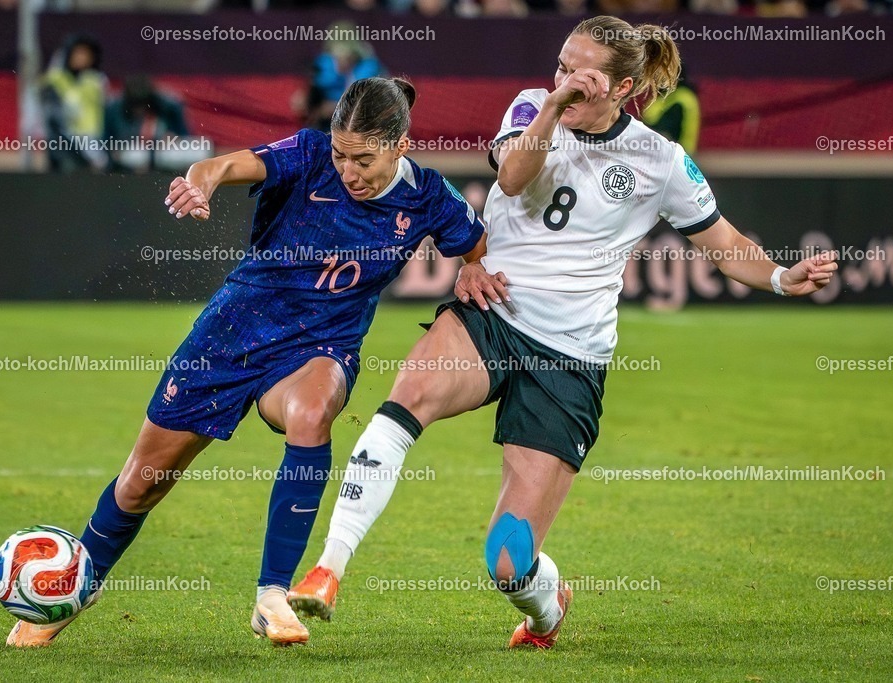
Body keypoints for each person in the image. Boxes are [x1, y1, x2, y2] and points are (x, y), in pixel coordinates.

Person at [288, 15, 838, 649]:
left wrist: (779, 279)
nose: (565, 81)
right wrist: (553, 104)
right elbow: (513, 178)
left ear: (623, 86)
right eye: (560, 66)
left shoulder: (660, 161)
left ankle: (546, 610)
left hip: (570, 359)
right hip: (493, 314)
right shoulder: (530, 109)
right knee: (405, 399)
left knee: (508, 563)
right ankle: (330, 567)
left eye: (584, 75)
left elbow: (725, 242)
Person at [5, 76, 486, 648]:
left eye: (364, 158)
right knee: (142, 484)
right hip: (232, 334)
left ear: (400, 146)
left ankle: (271, 595)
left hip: (322, 343)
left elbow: (474, 242)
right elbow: (227, 166)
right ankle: (77, 588)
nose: (349, 171)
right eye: (341, 155)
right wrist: (199, 181)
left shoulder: (429, 195)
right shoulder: (309, 156)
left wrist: (473, 266)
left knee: (312, 413)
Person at [40, 34, 108, 172]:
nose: (82, 58)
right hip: (65, 146)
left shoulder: (97, 80)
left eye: (86, 54)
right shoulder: (55, 80)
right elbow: (53, 120)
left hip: (94, 144)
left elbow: (103, 112)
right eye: (78, 53)